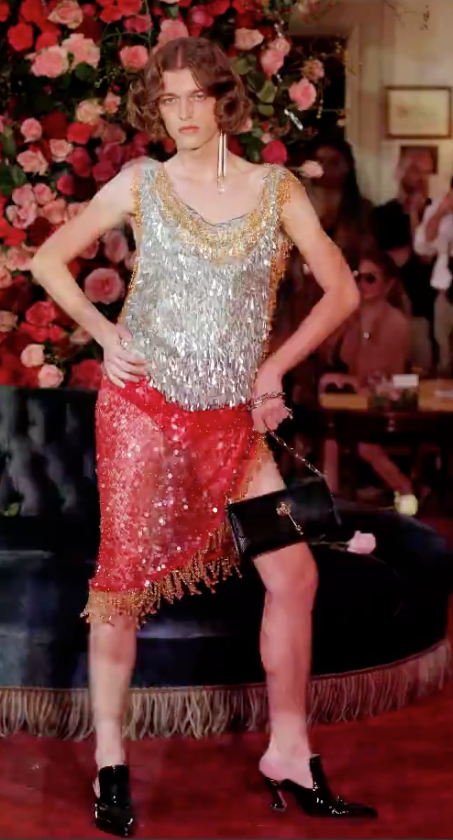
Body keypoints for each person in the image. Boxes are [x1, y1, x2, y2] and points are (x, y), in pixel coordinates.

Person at [30, 37, 376, 836]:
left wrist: (272, 370)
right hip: (142, 412)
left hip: (230, 422)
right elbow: (48, 261)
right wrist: (102, 333)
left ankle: (288, 751)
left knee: (292, 574)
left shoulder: (274, 188)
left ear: (224, 101)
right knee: (121, 589)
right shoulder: (139, 183)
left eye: (196, 96)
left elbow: (341, 290)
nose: (181, 112)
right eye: (168, 98)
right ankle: (111, 763)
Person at [321, 249, 413, 498]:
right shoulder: (354, 316)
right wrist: (346, 326)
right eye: (358, 277)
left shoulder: (397, 323)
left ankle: (407, 489)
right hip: (358, 401)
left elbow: (379, 371)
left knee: (358, 442)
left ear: (388, 285)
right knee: (331, 434)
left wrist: (349, 379)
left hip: (389, 399)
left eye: (370, 278)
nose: (363, 284)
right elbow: (334, 355)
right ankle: (332, 500)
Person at [373, 149, 435, 374]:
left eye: (426, 172)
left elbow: (427, 257)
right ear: (399, 171)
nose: (421, 178)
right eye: (415, 169)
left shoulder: (436, 213)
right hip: (389, 309)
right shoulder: (382, 214)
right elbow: (389, 260)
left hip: (425, 312)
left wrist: (416, 217)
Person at [302, 130, 374, 269]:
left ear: (347, 166)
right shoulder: (298, 208)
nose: (325, 168)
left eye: (334, 162)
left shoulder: (363, 211)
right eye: (320, 162)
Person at [414, 180, 453, 375]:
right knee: (443, 353)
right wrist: (440, 214)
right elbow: (423, 245)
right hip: (445, 291)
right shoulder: (438, 208)